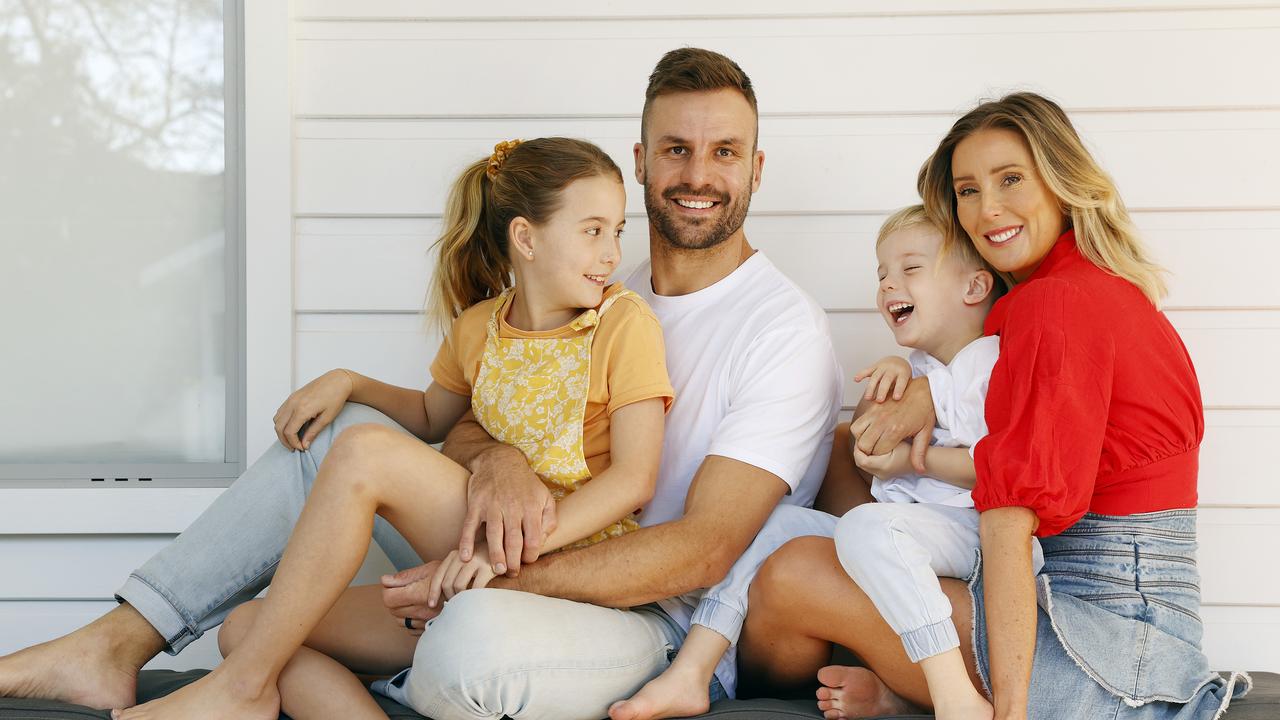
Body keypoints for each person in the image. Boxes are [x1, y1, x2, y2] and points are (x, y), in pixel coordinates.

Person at [0, 48, 842, 720]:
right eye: (676, 149)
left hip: (645, 618)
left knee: (468, 647)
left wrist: (484, 571)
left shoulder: (779, 330)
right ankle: (118, 642)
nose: (699, 174)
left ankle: (347, 667)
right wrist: (499, 462)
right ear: (641, 161)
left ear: (756, 168)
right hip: (516, 551)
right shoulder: (593, 282)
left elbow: (703, 549)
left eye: (724, 152)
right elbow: (467, 418)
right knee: (336, 454)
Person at [106, 136, 673, 719]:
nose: (612, 253)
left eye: (617, 231)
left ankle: (240, 690)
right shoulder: (479, 328)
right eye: (593, 230)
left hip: (571, 566)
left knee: (364, 453)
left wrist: (504, 555)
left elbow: (634, 478)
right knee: (250, 629)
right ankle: (253, 685)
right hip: (471, 559)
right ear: (526, 238)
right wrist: (350, 381)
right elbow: (431, 417)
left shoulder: (622, 324)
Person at [738, 92, 1252, 720]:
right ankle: (901, 692)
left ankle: (943, 700)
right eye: (968, 190)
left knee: (795, 572)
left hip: (1117, 653)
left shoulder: (1057, 304)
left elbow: (1008, 522)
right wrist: (917, 388)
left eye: (1011, 179)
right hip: (1094, 610)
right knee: (848, 452)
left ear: (1062, 183)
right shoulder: (1053, 295)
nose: (988, 209)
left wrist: (1012, 712)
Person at [611, 205, 1036, 720]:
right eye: (882, 274)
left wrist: (906, 463)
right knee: (777, 521)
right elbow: (866, 448)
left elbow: (1005, 470)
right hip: (911, 529)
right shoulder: (919, 370)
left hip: (969, 532)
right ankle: (693, 670)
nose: (887, 285)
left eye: (910, 269)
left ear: (974, 288)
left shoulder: (993, 365)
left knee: (867, 529)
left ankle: (953, 695)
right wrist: (890, 400)